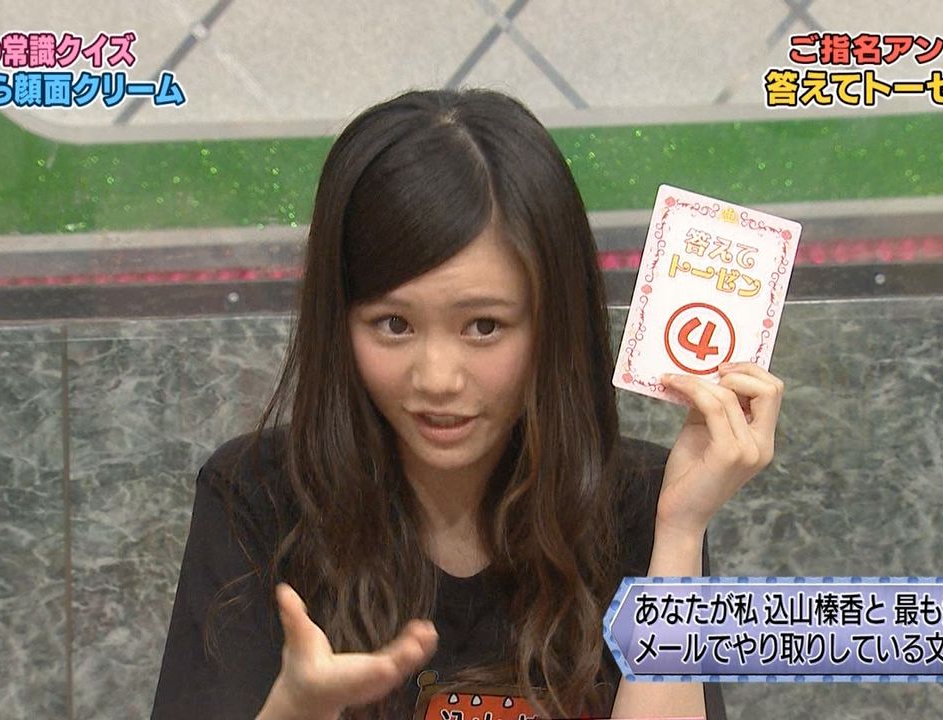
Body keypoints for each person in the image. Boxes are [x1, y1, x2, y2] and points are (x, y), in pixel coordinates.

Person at [151, 88, 784, 720]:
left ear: (553, 323)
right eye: (393, 325)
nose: (437, 379)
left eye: (484, 326)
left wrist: (680, 531)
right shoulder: (257, 497)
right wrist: (295, 707)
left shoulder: (643, 501)